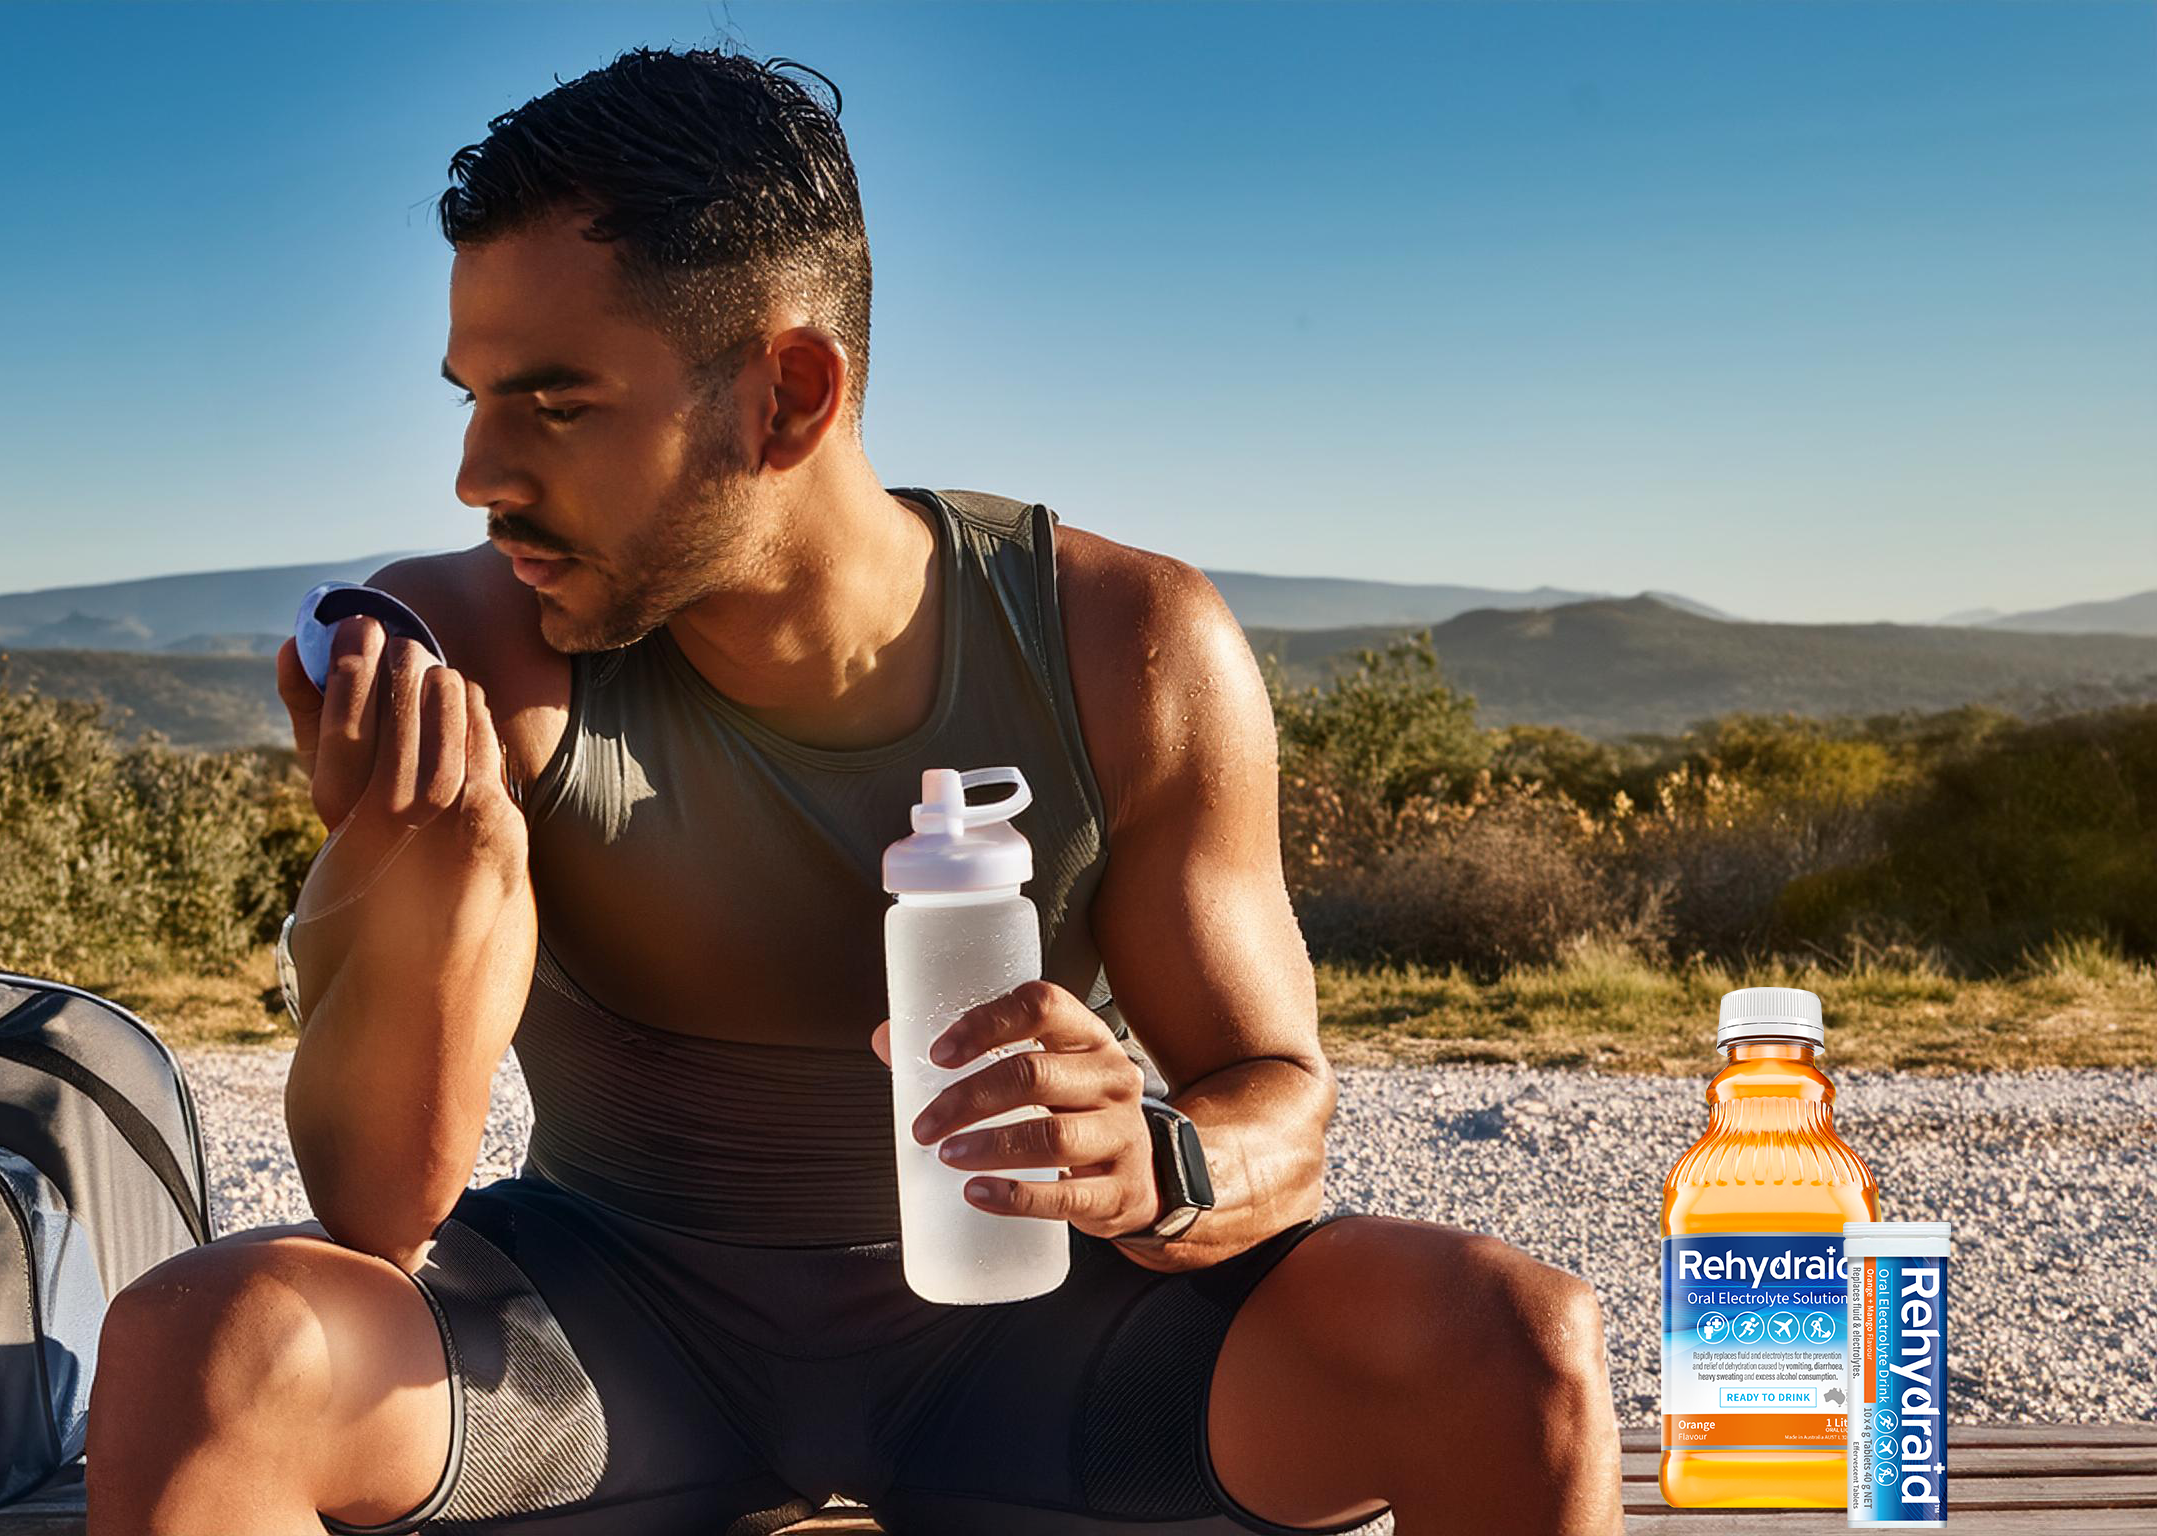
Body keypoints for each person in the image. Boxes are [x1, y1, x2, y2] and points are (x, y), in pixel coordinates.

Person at [85, 46, 1620, 1536]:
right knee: (206, 1348)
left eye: (553, 406)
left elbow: (1284, 1103)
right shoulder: (480, 647)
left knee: (1512, 1346)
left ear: (789, 398)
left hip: (1025, 1333)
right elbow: (378, 1209)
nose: (480, 473)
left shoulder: (1127, 650)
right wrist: (435, 859)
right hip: (613, 1350)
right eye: (470, 398)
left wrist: (1162, 1160)